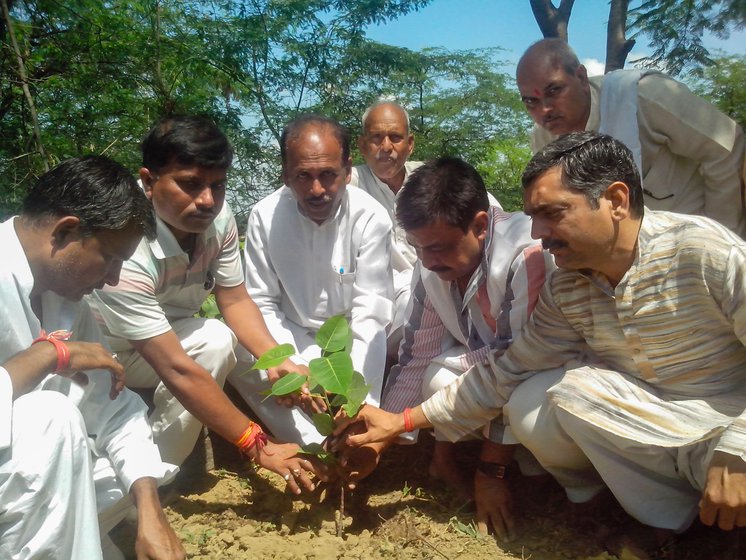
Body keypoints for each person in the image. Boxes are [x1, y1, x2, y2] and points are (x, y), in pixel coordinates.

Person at [336, 132, 746, 547]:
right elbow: (508, 370)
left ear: (617, 201)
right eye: (533, 216)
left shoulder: (703, 251)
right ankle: (674, 525)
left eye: (552, 213)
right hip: (651, 424)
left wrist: (736, 449)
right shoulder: (569, 286)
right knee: (563, 394)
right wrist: (400, 422)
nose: (539, 232)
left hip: (728, 420)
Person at [88, 116, 322, 491]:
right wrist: (255, 444)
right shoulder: (125, 245)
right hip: (107, 356)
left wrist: (279, 360)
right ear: (148, 181)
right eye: (190, 184)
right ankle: (140, 489)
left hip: (166, 339)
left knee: (231, 343)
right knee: (211, 344)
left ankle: (314, 445)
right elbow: (177, 369)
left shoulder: (217, 219)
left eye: (218, 185)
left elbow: (234, 299)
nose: (207, 200)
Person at [0, 155, 183, 559]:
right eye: (112, 258)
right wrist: (50, 356)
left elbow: (113, 410)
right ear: (67, 230)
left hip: (25, 480)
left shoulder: (65, 301)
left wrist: (150, 509)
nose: (114, 278)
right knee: (51, 419)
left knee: (127, 474)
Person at [380, 156, 554, 538]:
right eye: (418, 248)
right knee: (436, 373)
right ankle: (453, 461)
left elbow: (515, 367)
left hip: (543, 379)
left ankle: (566, 487)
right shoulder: (431, 262)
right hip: (496, 375)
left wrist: (489, 472)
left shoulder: (526, 256)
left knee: (529, 410)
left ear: (479, 225)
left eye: (438, 248)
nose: (426, 260)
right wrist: (381, 441)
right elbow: (417, 355)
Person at [230, 114, 393, 446]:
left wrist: (351, 394)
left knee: (399, 322)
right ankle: (320, 445)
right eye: (303, 176)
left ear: (348, 171)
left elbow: (371, 312)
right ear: (285, 175)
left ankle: (357, 431)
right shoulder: (265, 216)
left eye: (328, 175)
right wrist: (291, 365)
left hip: (350, 338)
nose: (317, 190)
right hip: (289, 335)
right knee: (237, 349)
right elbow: (261, 302)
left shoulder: (370, 217)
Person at [516, 38, 746, 236]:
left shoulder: (643, 96)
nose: (544, 110)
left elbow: (725, 148)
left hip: (698, 243)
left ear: (582, 78)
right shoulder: (543, 140)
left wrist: (722, 238)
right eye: (531, 101)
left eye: (554, 91)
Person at [351, 101, 503, 341]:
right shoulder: (347, 188)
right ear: (362, 145)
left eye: (395, 137)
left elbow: (494, 218)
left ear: (410, 144)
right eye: (376, 138)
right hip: (388, 297)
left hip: (447, 282)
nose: (386, 146)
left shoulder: (431, 180)